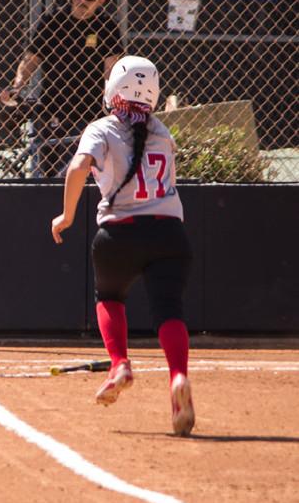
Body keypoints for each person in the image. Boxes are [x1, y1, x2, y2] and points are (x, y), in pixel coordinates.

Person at [51, 56, 195, 437]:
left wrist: (65, 217)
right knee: (169, 309)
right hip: (170, 232)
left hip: (120, 234)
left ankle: (120, 364)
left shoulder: (102, 128)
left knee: (109, 296)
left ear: (113, 90)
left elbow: (79, 167)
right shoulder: (163, 131)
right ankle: (178, 376)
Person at [0, 0, 124, 178]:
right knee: (46, 171)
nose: (83, 0)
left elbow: (111, 70)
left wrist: (113, 102)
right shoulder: (52, 22)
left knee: (86, 170)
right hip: (53, 106)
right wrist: (17, 85)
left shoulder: (106, 26)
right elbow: (31, 60)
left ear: (101, 0)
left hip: (90, 110)